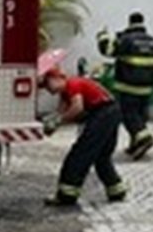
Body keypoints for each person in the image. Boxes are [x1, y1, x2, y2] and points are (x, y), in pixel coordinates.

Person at [39, 67, 127, 206]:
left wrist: (58, 121)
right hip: (111, 111)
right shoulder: (66, 92)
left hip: (102, 113)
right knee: (102, 156)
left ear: (57, 78)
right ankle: (116, 190)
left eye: (47, 84)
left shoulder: (73, 84)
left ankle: (67, 194)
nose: (47, 90)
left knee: (80, 154)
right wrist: (54, 123)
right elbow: (61, 112)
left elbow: (77, 108)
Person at [96, 11, 153, 159]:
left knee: (129, 115)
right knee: (139, 115)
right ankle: (135, 144)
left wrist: (102, 37)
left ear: (130, 23)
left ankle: (144, 138)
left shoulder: (126, 40)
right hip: (147, 88)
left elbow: (107, 51)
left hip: (128, 86)